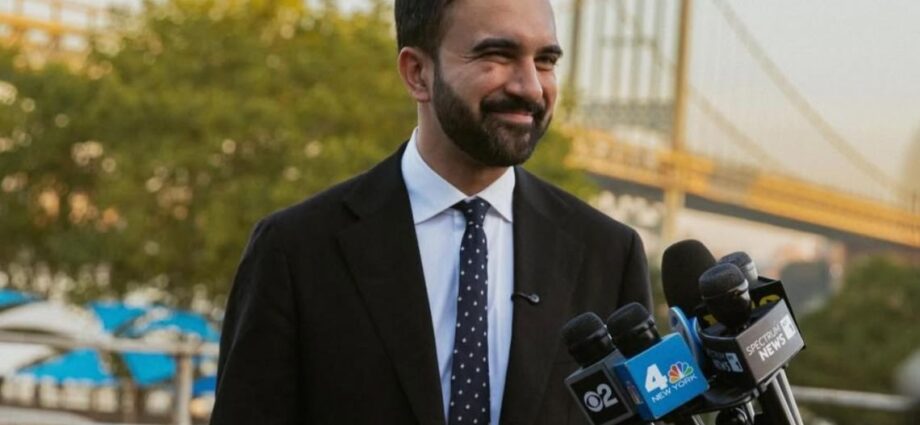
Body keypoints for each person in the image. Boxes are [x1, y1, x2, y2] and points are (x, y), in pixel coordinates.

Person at [210, 0, 651, 423]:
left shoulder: (609, 254)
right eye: (497, 55)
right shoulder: (295, 250)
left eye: (545, 61)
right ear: (417, 73)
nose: (531, 88)